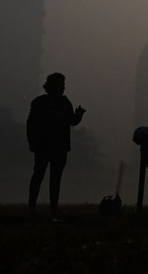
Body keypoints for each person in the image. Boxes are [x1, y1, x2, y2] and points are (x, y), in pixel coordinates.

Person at [27, 72, 86, 219]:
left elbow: (71, 121)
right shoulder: (40, 103)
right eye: (61, 84)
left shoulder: (64, 102)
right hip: (45, 145)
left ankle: (52, 208)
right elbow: (32, 124)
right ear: (52, 86)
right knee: (40, 175)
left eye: (63, 85)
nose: (63, 87)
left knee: (54, 178)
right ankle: (33, 207)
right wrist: (32, 142)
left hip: (58, 146)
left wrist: (79, 115)